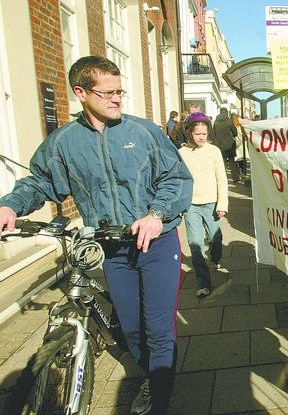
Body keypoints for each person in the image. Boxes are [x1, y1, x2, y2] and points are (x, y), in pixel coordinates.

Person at [0, 56, 193, 415]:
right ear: (81, 93)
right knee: (133, 331)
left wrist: (156, 215)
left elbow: (176, 178)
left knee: (158, 329)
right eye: (108, 93)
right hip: (112, 249)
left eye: (120, 91)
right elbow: (40, 182)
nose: (117, 99)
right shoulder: (64, 143)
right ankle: (151, 373)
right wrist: (11, 205)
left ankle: (160, 395)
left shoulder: (144, 132)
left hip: (157, 242)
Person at [179, 112, 228, 298]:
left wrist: (222, 204)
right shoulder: (182, 153)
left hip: (212, 204)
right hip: (191, 206)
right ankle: (203, 283)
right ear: (189, 132)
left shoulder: (213, 151)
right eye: (197, 133)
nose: (201, 137)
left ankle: (215, 258)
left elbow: (221, 179)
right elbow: (179, 180)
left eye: (204, 134)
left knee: (216, 239)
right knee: (195, 244)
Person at [212, 107, 241, 182]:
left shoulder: (216, 122)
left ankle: (222, 179)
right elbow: (235, 133)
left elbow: (213, 133)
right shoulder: (229, 121)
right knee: (232, 162)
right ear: (226, 112)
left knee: (222, 163)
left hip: (219, 144)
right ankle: (235, 178)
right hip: (230, 144)